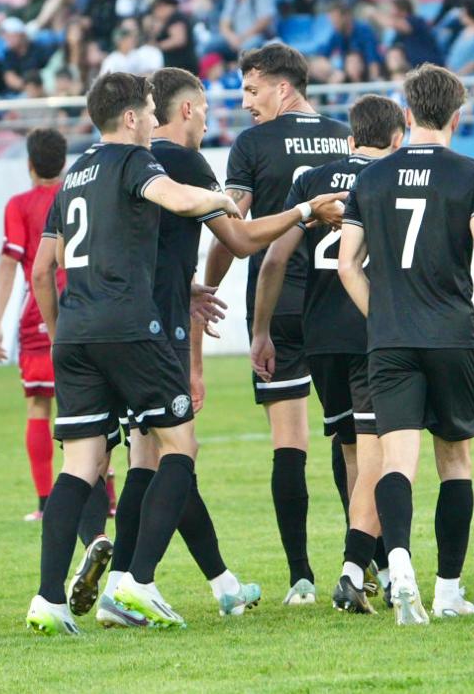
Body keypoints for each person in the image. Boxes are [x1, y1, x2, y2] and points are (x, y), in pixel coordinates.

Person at [92, 68, 346, 627]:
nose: (215, 116)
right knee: (174, 454)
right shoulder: (182, 164)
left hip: (119, 321)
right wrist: (304, 211)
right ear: (186, 111)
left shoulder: (118, 164)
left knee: (147, 455)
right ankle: (136, 583)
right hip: (156, 333)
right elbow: (238, 237)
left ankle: (189, 583)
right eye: (206, 107)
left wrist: (187, 289)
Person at [23, 72, 237, 636]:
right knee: (178, 445)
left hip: (76, 333)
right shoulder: (135, 161)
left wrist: (58, 329)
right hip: (130, 328)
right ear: (131, 118)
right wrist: (221, 200)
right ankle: (137, 584)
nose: (151, 121)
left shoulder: (73, 176)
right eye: (147, 111)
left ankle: (48, 599)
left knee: (82, 466)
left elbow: (44, 268)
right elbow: (177, 199)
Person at [337, 65, 474, 624]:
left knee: (395, 462)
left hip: (390, 339)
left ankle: (398, 567)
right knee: (456, 462)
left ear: (408, 114)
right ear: (458, 117)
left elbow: (347, 263)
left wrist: (383, 315)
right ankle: (446, 591)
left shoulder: (370, 177)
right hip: (451, 336)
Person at [202, 43, 350, 606]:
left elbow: (230, 226)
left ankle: (302, 579)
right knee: (354, 436)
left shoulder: (253, 145)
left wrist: (209, 288)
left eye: (251, 89)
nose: (245, 103)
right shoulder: (344, 134)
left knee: (290, 443)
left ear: (282, 88)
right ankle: (364, 566)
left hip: (280, 302)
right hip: (343, 302)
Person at [254, 94, 407, 614]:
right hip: (371, 330)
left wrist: (261, 332)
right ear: (396, 140)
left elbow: (274, 260)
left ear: (348, 140)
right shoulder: (392, 178)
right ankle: (356, 567)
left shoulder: (310, 182)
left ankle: (376, 568)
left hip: (319, 339)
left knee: (349, 450)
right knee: (377, 455)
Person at [0, 129, 68, 521]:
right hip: (85, 309)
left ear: (30, 164)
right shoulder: (77, 195)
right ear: (65, 162)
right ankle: (107, 498)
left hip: (38, 312)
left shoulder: (19, 205)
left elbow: (8, 262)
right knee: (94, 402)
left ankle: (45, 503)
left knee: (39, 405)